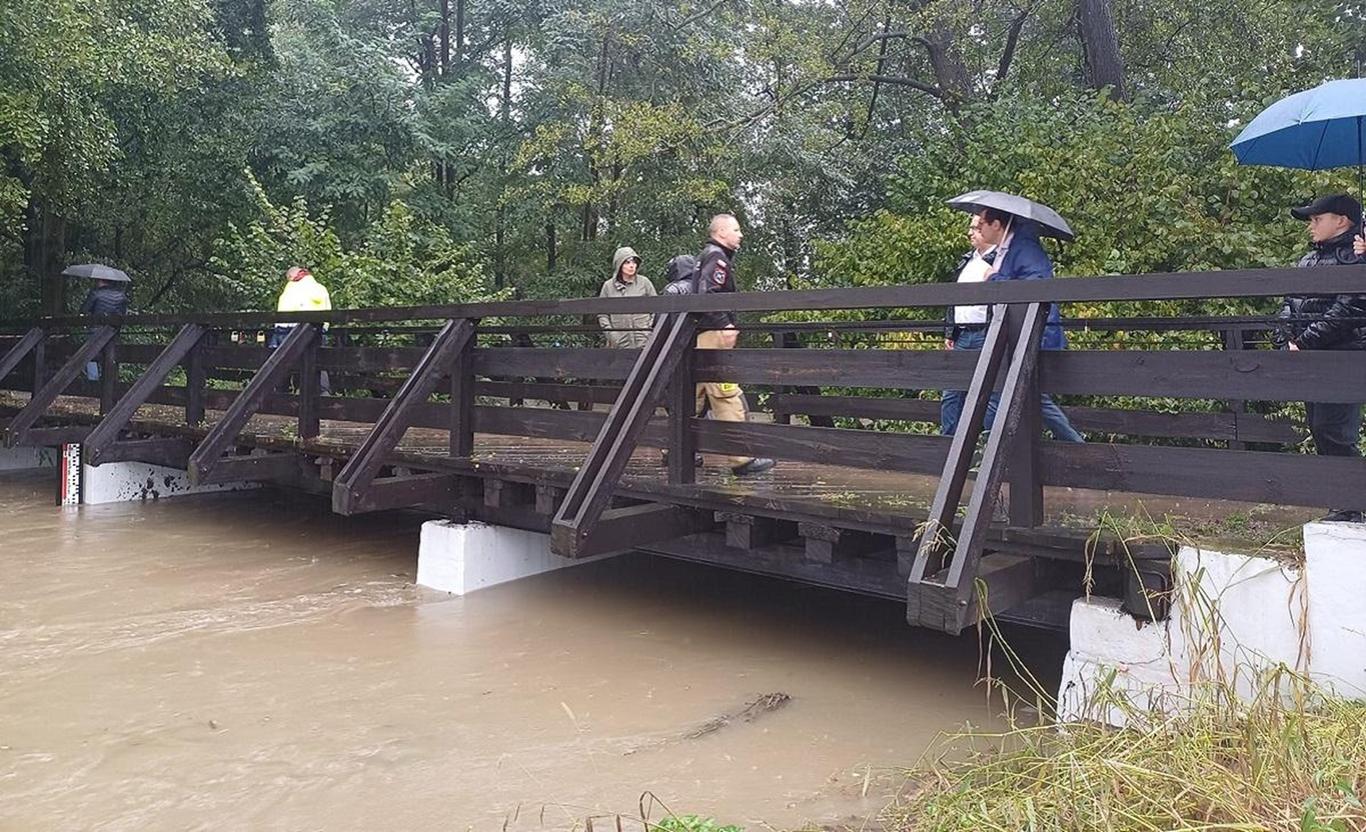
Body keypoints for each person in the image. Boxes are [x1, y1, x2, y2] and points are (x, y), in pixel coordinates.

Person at [1273, 194, 1366, 522]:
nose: (1311, 226)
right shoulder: (1307, 261)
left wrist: (1304, 342)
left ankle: (1350, 505)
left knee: (1335, 429)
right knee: (1319, 427)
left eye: (1317, 219)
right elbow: (1289, 303)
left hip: (1342, 359)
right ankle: (1340, 503)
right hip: (1309, 360)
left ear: (1341, 220)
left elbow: (1349, 309)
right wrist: (1285, 340)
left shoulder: (1357, 259)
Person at [968, 207, 1085, 443]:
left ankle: (1076, 445)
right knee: (1024, 394)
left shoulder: (1024, 249)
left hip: (1035, 334)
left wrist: (993, 279)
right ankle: (1006, 450)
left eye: (981, 224)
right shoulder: (1008, 249)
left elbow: (1035, 287)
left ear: (997, 225)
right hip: (1020, 333)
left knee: (1026, 394)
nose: (977, 229)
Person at [694, 214, 775, 476]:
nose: (741, 235)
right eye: (736, 230)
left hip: (699, 335)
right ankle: (741, 459)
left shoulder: (708, 255)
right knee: (726, 392)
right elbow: (708, 294)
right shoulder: (717, 257)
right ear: (720, 233)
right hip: (712, 334)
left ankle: (674, 450)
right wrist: (725, 324)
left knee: (694, 396)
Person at [940, 214, 996, 436]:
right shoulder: (966, 260)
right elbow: (954, 299)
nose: (970, 232)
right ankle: (948, 445)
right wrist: (949, 331)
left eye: (975, 228)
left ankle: (989, 448)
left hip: (986, 333)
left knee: (991, 393)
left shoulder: (999, 261)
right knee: (952, 393)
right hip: (962, 335)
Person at [271, 266, 332, 395]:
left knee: (284, 362)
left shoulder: (292, 288)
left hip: (289, 329)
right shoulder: (320, 288)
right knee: (318, 363)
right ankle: (324, 395)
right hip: (318, 330)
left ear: (293, 276)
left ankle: (281, 396)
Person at [597, 246, 656, 349]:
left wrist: (648, 328)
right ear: (619, 265)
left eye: (634, 262)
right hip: (619, 342)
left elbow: (657, 308)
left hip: (644, 340)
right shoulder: (608, 286)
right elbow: (602, 314)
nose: (632, 266)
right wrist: (611, 335)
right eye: (627, 263)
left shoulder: (644, 282)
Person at [79, 278, 128, 381]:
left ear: (100, 280)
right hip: (113, 332)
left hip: (95, 331)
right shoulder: (121, 296)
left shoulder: (95, 294)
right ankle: (110, 382)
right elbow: (123, 315)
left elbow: (83, 310)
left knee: (90, 355)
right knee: (111, 357)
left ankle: (93, 381)